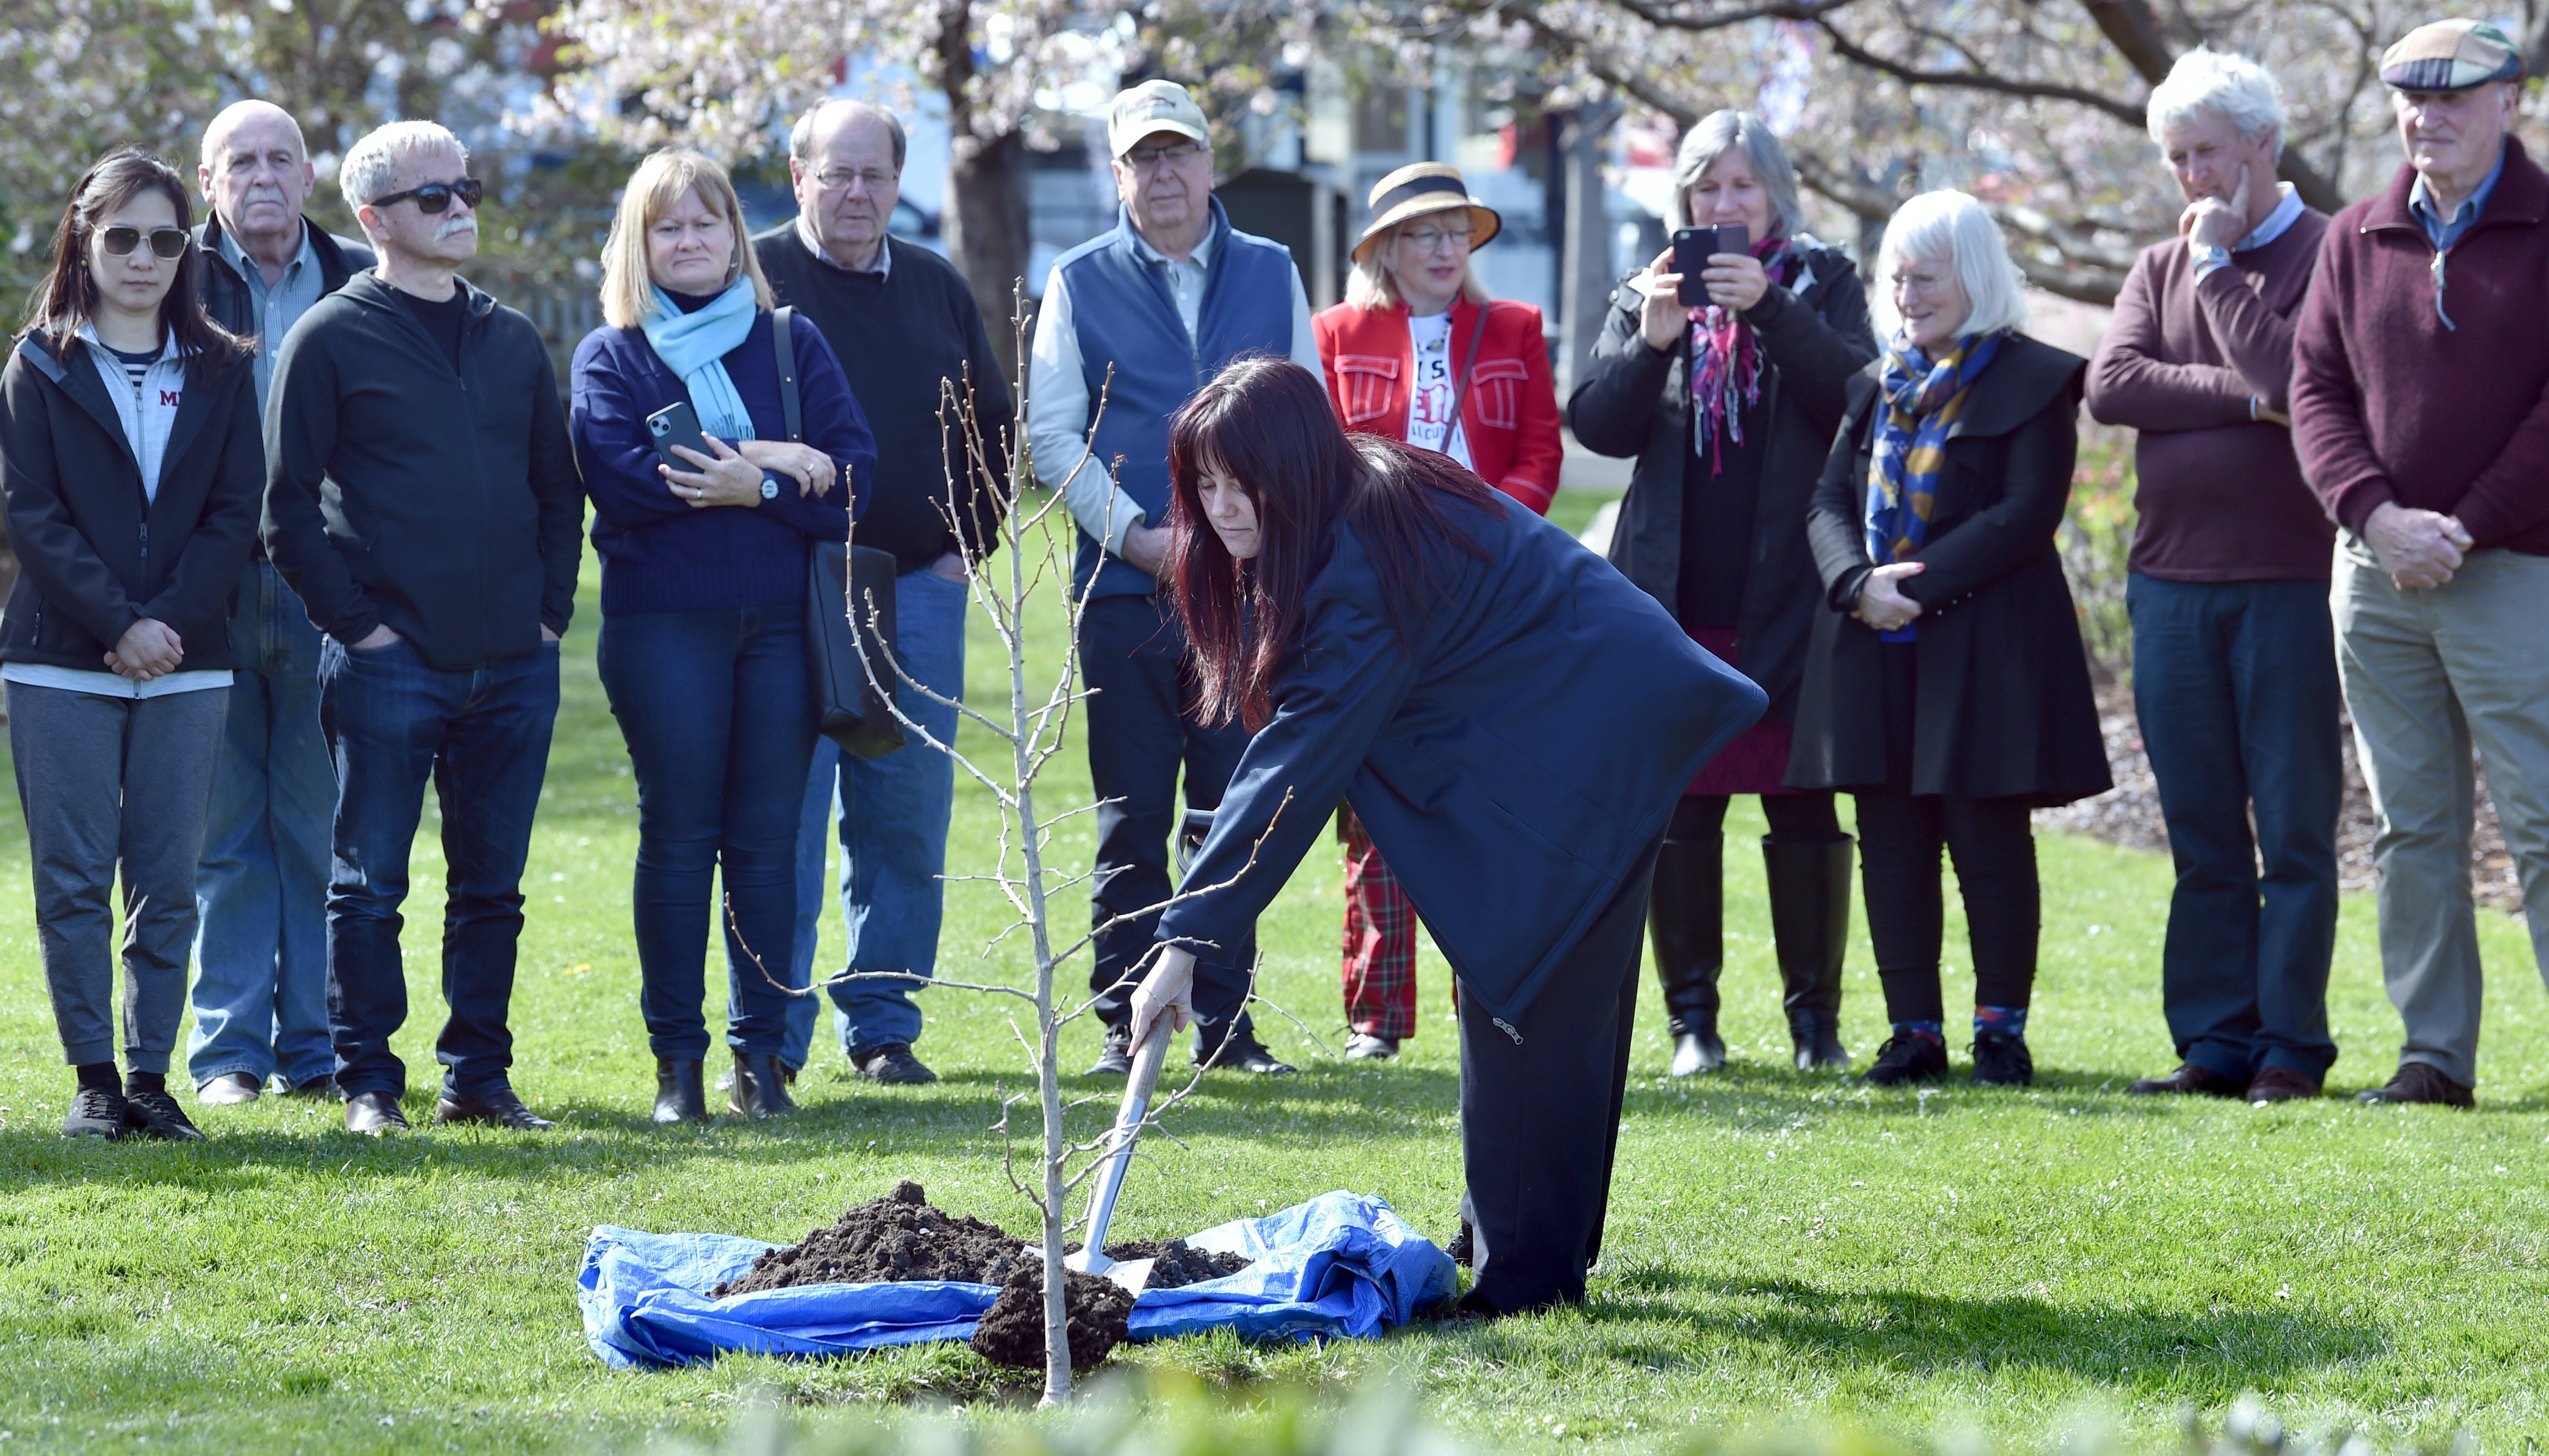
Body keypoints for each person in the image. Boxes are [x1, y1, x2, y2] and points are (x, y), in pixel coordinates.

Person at [1128, 356, 1766, 1314]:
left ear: (1296, 464)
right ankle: (1514, 1237)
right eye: (1203, 484)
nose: (1220, 509)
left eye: (1238, 481)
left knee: (1530, 997)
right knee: (1528, 990)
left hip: (1592, 737)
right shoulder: (1352, 498)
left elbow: (1295, 764)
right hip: (1568, 728)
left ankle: (1528, 1279)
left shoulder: (1354, 561)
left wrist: (1187, 940)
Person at [264, 121, 583, 1136]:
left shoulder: (512, 336)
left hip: (514, 666)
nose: (461, 209)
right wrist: (362, 631)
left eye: (467, 189)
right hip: (389, 664)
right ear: (372, 220)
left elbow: (555, 488)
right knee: (368, 886)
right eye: (434, 197)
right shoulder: (330, 335)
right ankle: (368, 1085)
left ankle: (478, 1080)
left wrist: (547, 618)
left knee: (493, 889)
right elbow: (285, 513)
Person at [1571, 110, 1876, 1077]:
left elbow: (1858, 397)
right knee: (1684, 814)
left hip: (1790, 594)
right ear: (1686, 199)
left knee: (1802, 806)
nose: (1726, 204)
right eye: (1708, 188)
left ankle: (1814, 1027)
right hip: (1672, 600)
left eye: (1743, 186)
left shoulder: (1822, 278)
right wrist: (1652, 341)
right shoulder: (1649, 286)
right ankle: (1692, 1026)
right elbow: (1601, 429)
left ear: (1776, 192)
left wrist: (1772, 310)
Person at [572, 148, 874, 1122]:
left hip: (785, 630)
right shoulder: (611, 355)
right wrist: (778, 459)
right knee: (678, 838)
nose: (690, 240)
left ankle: (760, 1066)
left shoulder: (792, 342)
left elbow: (856, 481)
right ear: (640, 243)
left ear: (735, 236)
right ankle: (678, 1070)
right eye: (668, 226)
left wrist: (763, 486)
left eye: (706, 223)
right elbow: (624, 479)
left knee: (765, 846)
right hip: (665, 631)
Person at [1028, 79, 1321, 1077]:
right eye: (1142, 158)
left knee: (1240, 804)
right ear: (1118, 175)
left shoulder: (1274, 269)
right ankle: (1126, 1018)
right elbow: (1052, 433)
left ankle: (1229, 1028)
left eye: (1178, 153)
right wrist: (1137, 537)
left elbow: (1307, 417)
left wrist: (1258, 537)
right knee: (1131, 813)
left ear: (1209, 163)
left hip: (1247, 592)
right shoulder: (1076, 278)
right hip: (1126, 590)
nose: (1163, 173)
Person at [1788, 190, 2110, 1089]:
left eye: (1926, 277)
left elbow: (2025, 515)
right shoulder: (1873, 386)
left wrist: (1909, 589)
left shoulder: (2037, 380)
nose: (1908, 294)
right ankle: (1913, 1034)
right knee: (1891, 841)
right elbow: (1824, 503)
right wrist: (1858, 585)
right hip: (1873, 645)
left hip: (1986, 650)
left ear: (1973, 276)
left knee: (1988, 841)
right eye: (1897, 277)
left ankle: (2000, 1032)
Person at [2290, 19, 2549, 1109]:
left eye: (2454, 100)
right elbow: (2315, 389)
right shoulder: (2358, 234)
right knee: (2413, 827)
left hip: (2515, 569)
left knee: (2541, 817)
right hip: (2379, 577)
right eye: (2411, 101)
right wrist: (2378, 516)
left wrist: (2466, 524)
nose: (2428, 119)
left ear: (2511, 102)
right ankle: (2435, 1057)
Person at [2087, 51, 2341, 1106]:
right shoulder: (2152, 266)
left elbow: (2296, 376)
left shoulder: (2334, 255)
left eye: (2208, 154)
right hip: (2170, 585)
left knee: (2291, 824)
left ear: (2264, 146)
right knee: (2200, 825)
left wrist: (2220, 273)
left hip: (2287, 580)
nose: (2191, 177)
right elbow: (2112, 386)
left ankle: (2289, 1045)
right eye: (2177, 157)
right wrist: (2239, 401)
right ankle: (2213, 1040)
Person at [1, 147, 262, 1139]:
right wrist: (120, 624)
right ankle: (95, 1081)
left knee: (168, 880)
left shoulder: (225, 367)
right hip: (60, 658)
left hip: (188, 662)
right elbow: (32, 515)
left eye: (165, 239)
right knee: (71, 881)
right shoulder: (38, 365)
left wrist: (168, 627)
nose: (144, 258)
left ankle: (152, 1079)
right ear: (84, 240)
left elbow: (236, 513)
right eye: (123, 238)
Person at [748, 99, 1009, 1089]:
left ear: (899, 184)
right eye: (836, 173)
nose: (856, 194)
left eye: (876, 176)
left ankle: (884, 1025)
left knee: (904, 815)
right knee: (789, 814)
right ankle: (770, 1034)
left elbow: (994, 423)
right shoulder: (754, 277)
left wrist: (963, 552)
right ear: (798, 170)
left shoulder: (937, 285)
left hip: (918, 587)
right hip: (787, 586)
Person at [1310, 160, 1561, 1060]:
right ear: (1385, 249)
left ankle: (1486, 1002)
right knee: (1376, 808)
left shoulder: (1515, 328)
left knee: (1484, 805)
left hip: (1492, 599)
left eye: (1458, 230)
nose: (1447, 246)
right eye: (1425, 232)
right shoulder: (1334, 332)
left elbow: (1538, 452)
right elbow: (1324, 462)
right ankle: (1376, 1019)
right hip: (1378, 599)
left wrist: (1499, 537)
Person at [185, 99, 375, 1108]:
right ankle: (229, 1060)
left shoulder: (360, 280)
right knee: (223, 837)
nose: (262, 177)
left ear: (310, 179)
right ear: (208, 184)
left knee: (320, 830)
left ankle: (319, 1050)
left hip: (324, 589)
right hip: (205, 592)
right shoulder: (168, 278)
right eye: (239, 162)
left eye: (280, 160)